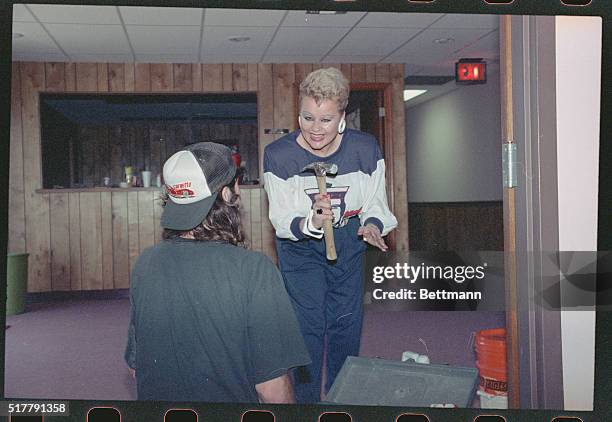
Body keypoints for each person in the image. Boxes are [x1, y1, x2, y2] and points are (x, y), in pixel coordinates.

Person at [124, 142, 310, 403]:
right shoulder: (254, 269)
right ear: (226, 194)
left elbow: (136, 367)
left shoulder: (145, 264)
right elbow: (272, 388)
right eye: (236, 184)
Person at [263, 67, 398, 403]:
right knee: (307, 327)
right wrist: (311, 221)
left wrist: (372, 226)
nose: (315, 129)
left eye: (325, 120)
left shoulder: (365, 149)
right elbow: (281, 218)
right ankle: (307, 404)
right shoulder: (278, 155)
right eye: (308, 118)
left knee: (345, 325)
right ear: (298, 114)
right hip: (300, 249)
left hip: (350, 241)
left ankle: (340, 401)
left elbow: (376, 205)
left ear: (342, 116)